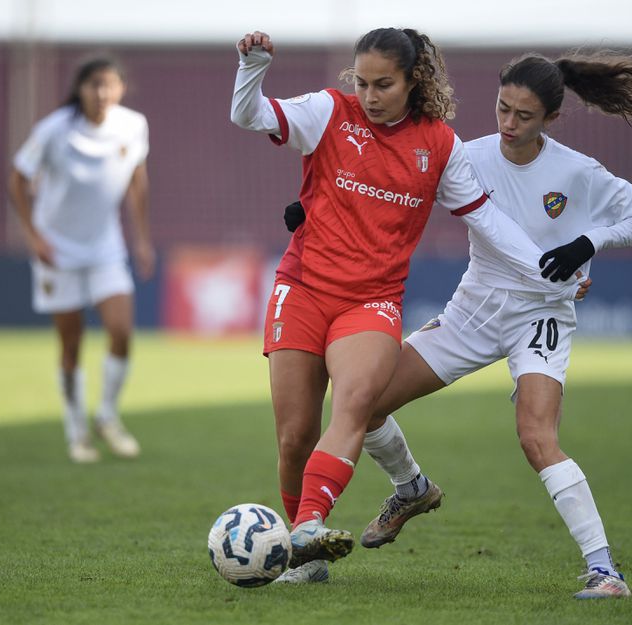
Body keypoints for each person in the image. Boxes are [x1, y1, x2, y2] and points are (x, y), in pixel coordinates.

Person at [284, 51, 632, 596]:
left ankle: (604, 570)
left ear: (550, 119)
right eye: (502, 109)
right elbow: (392, 186)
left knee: (536, 437)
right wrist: (311, 210)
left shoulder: (577, 171)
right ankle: (412, 488)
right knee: (362, 403)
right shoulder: (468, 155)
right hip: (473, 311)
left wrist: (587, 242)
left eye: (523, 116)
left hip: (542, 315)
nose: (508, 124)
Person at [230, 29, 585, 581]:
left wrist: (551, 269)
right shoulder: (328, 110)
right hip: (301, 287)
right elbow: (248, 116)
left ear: (413, 81)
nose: (370, 95)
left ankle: (306, 530)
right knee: (295, 435)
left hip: (370, 301)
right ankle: (305, 550)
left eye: (384, 84)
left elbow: (488, 221)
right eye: (363, 82)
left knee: (354, 403)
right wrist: (252, 66)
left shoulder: (440, 145)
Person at [8, 56, 154, 464]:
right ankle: (78, 434)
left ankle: (107, 415)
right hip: (57, 251)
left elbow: (137, 180)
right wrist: (33, 236)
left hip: (105, 247)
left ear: (121, 89)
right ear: (80, 89)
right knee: (71, 344)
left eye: (110, 85)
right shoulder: (54, 130)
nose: (102, 93)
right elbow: (18, 178)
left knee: (121, 331)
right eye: (94, 85)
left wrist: (141, 239)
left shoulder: (133, 125)